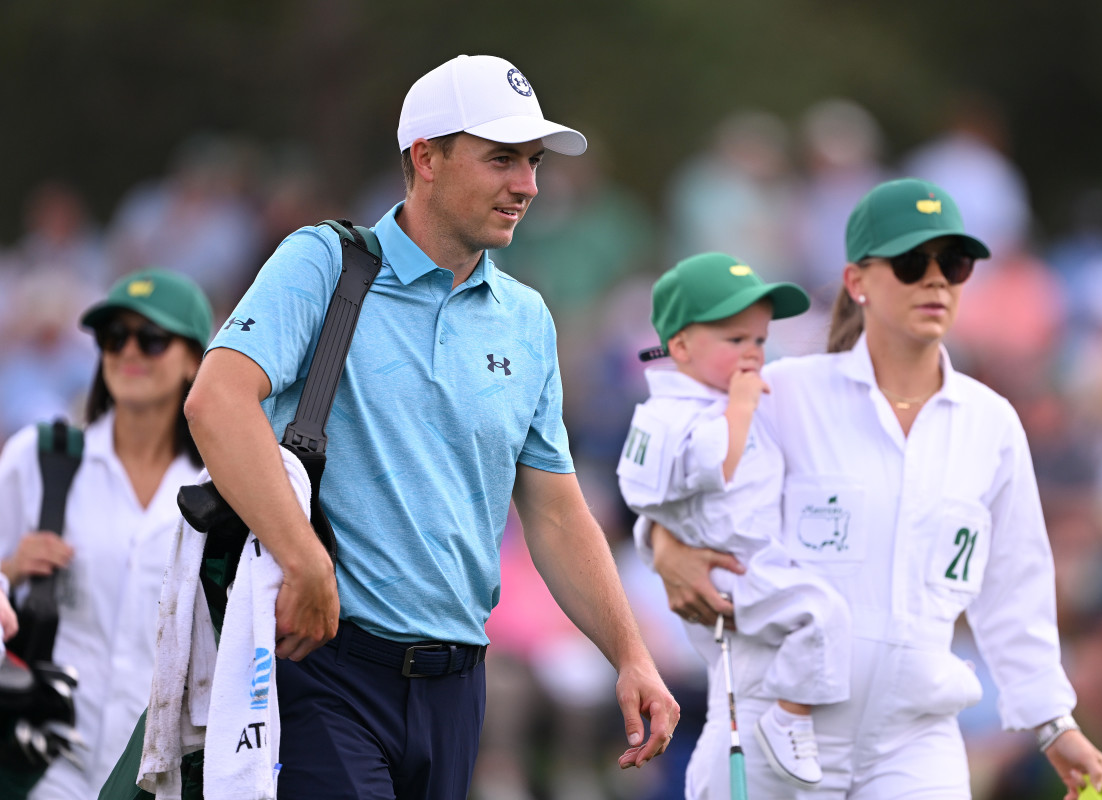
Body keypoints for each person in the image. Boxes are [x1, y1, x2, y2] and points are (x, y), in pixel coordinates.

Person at [182, 54, 678, 799]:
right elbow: (215, 401)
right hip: (326, 668)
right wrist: (305, 558)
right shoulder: (325, 263)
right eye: (503, 159)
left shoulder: (527, 319)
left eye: (534, 163)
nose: (528, 186)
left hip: (459, 689)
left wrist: (631, 654)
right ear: (427, 158)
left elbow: (553, 508)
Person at [643, 178, 1102, 799]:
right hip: (772, 728)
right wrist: (661, 542)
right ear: (857, 280)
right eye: (913, 262)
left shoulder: (990, 421)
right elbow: (680, 473)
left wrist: (1053, 723)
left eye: (955, 263)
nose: (937, 279)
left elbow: (1014, 584)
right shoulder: (786, 393)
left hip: (916, 742)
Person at [618, 252, 851, 789]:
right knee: (821, 615)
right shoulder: (691, 410)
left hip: (748, 563)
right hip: (731, 570)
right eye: (734, 340)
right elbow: (712, 467)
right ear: (680, 346)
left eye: (759, 341)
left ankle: (787, 715)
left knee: (816, 616)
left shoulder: (716, 400)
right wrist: (741, 407)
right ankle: (788, 718)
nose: (752, 355)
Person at [0, 268, 213, 799]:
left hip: (152, 779)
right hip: (42, 766)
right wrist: (7, 572)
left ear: (194, 360)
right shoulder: (41, 457)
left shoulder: (219, 490)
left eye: (152, 337)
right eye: (115, 337)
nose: (129, 352)